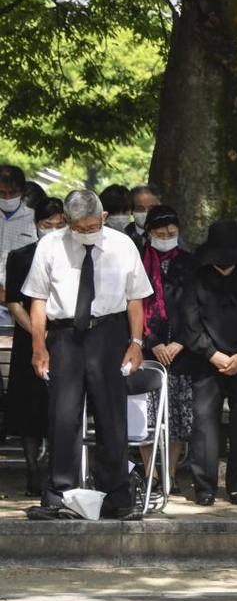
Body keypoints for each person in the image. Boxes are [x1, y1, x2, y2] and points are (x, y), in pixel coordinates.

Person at [23, 189, 153, 520]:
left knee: (111, 414)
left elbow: (136, 297)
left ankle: (116, 496)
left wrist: (136, 342)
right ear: (67, 221)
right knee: (63, 416)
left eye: (92, 226)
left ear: (104, 218)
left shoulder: (122, 244)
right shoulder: (50, 245)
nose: (86, 233)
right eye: (79, 228)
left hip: (109, 333)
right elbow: (37, 299)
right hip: (65, 335)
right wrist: (39, 346)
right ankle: (60, 494)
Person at [182, 220, 237, 507]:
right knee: (204, 426)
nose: (224, 267)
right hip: (207, 362)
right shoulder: (197, 276)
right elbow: (190, 320)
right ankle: (204, 486)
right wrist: (211, 353)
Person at [4, 198, 66, 496]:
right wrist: (38, 334)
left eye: (58, 226)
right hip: (29, 340)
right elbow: (14, 302)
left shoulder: (73, 256)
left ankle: (59, 469)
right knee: (29, 409)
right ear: (36, 225)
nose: (52, 231)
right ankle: (32, 470)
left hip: (64, 338)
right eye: (46, 226)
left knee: (60, 407)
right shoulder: (20, 256)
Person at [139, 205, 198, 494]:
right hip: (146, 347)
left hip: (181, 348)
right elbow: (133, 304)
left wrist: (181, 342)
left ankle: (171, 472)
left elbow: (199, 306)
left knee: (176, 416)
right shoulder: (137, 261)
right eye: (160, 234)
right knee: (146, 415)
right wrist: (152, 342)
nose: (166, 238)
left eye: (172, 234)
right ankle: (152, 473)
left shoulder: (190, 262)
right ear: (149, 233)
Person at [0, 166, 38, 328]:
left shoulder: (34, 218)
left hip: (23, 299)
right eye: (2, 193)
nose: (7, 197)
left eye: (13, 192)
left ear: (22, 192)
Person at [128, 184, 163, 250]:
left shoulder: (170, 236)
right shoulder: (124, 236)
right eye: (140, 209)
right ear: (132, 210)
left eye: (151, 208)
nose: (147, 213)